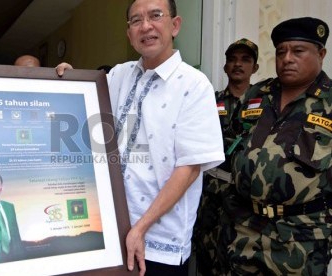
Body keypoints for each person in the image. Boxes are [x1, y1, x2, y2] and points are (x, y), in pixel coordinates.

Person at [56, 0, 224, 275]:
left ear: (175, 25)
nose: (146, 26)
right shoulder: (117, 75)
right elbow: (88, 110)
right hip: (109, 233)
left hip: (156, 242)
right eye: (136, 20)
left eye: (155, 16)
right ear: (129, 34)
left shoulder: (194, 85)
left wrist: (140, 228)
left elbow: (190, 168)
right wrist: (68, 80)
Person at [223, 17, 331, 274]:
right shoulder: (257, 94)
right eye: (281, 52)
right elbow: (234, 144)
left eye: (298, 51)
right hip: (244, 230)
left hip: (300, 238)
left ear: (321, 53)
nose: (287, 58)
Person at [192, 38, 259, 275]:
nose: (238, 64)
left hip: (243, 196)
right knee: (205, 250)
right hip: (210, 190)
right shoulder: (210, 101)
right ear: (225, 66)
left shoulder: (267, 103)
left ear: (255, 68)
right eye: (232, 60)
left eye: (245, 60)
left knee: (240, 257)